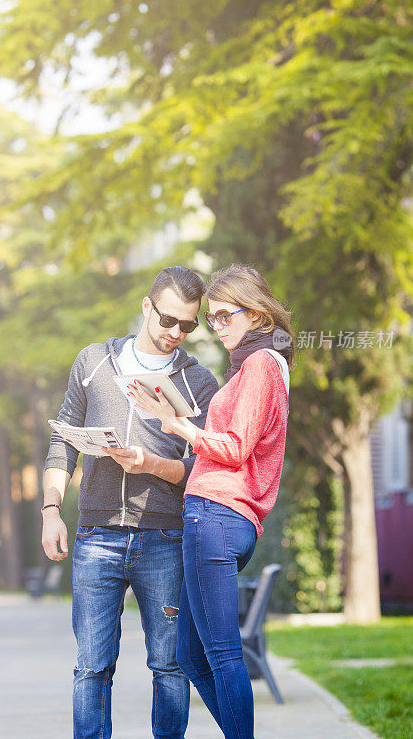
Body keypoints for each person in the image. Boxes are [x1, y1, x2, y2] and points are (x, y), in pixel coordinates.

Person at [41, 266, 219, 739]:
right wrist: (51, 512)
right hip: (95, 537)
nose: (174, 334)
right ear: (146, 306)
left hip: (164, 537)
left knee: (168, 667)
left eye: (187, 325)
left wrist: (151, 465)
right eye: (167, 320)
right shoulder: (94, 361)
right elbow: (62, 443)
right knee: (91, 667)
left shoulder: (199, 382)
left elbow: (207, 469)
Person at [128, 263, 294, 739]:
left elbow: (235, 446)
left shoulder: (261, 365)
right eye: (212, 319)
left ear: (256, 312)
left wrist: (177, 424)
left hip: (217, 516)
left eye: (225, 316)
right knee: (190, 656)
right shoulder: (260, 363)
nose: (217, 326)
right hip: (226, 519)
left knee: (220, 655)